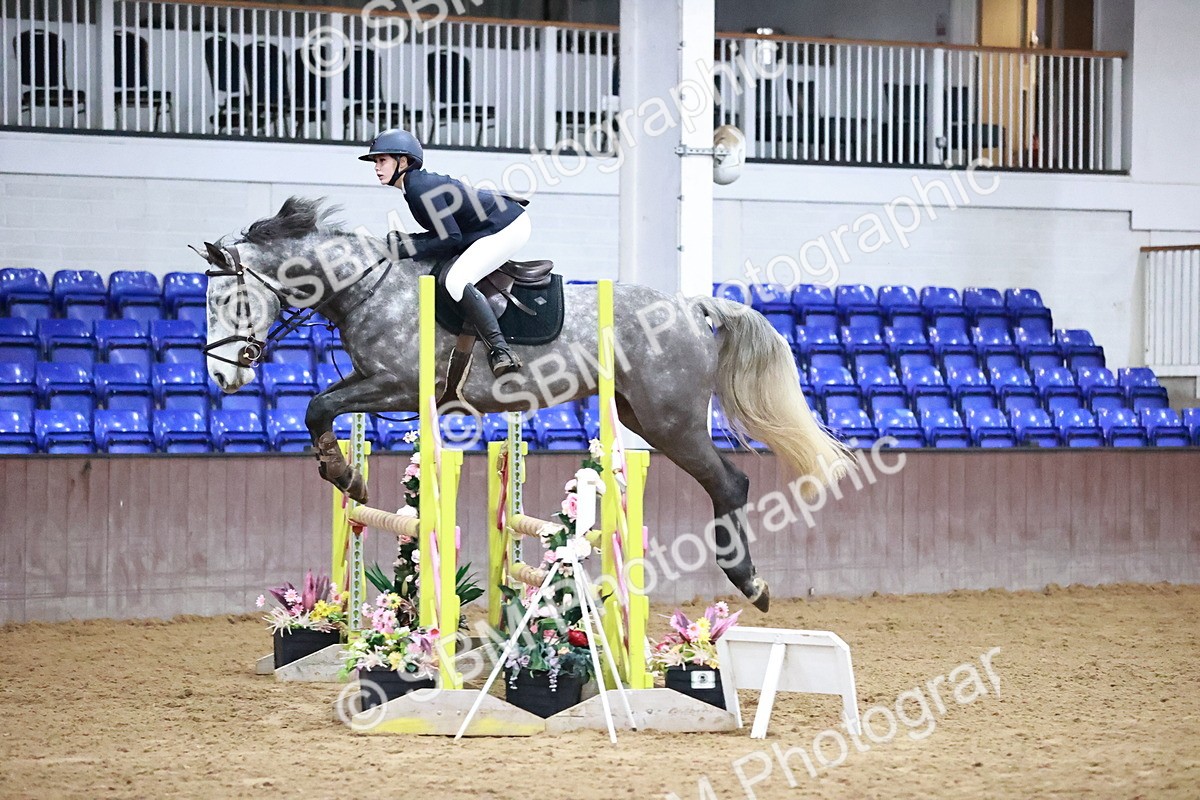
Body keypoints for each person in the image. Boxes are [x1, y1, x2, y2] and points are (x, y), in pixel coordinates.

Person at [360, 128, 529, 377]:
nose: (377, 167)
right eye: (376, 161)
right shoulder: (414, 186)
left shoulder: (418, 188)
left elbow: (451, 238)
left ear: (403, 161)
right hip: (490, 224)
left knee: (456, 281)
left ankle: (500, 350)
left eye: (382, 160)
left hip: (507, 227)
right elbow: (445, 232)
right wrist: (410, 241)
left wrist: (409, 249)